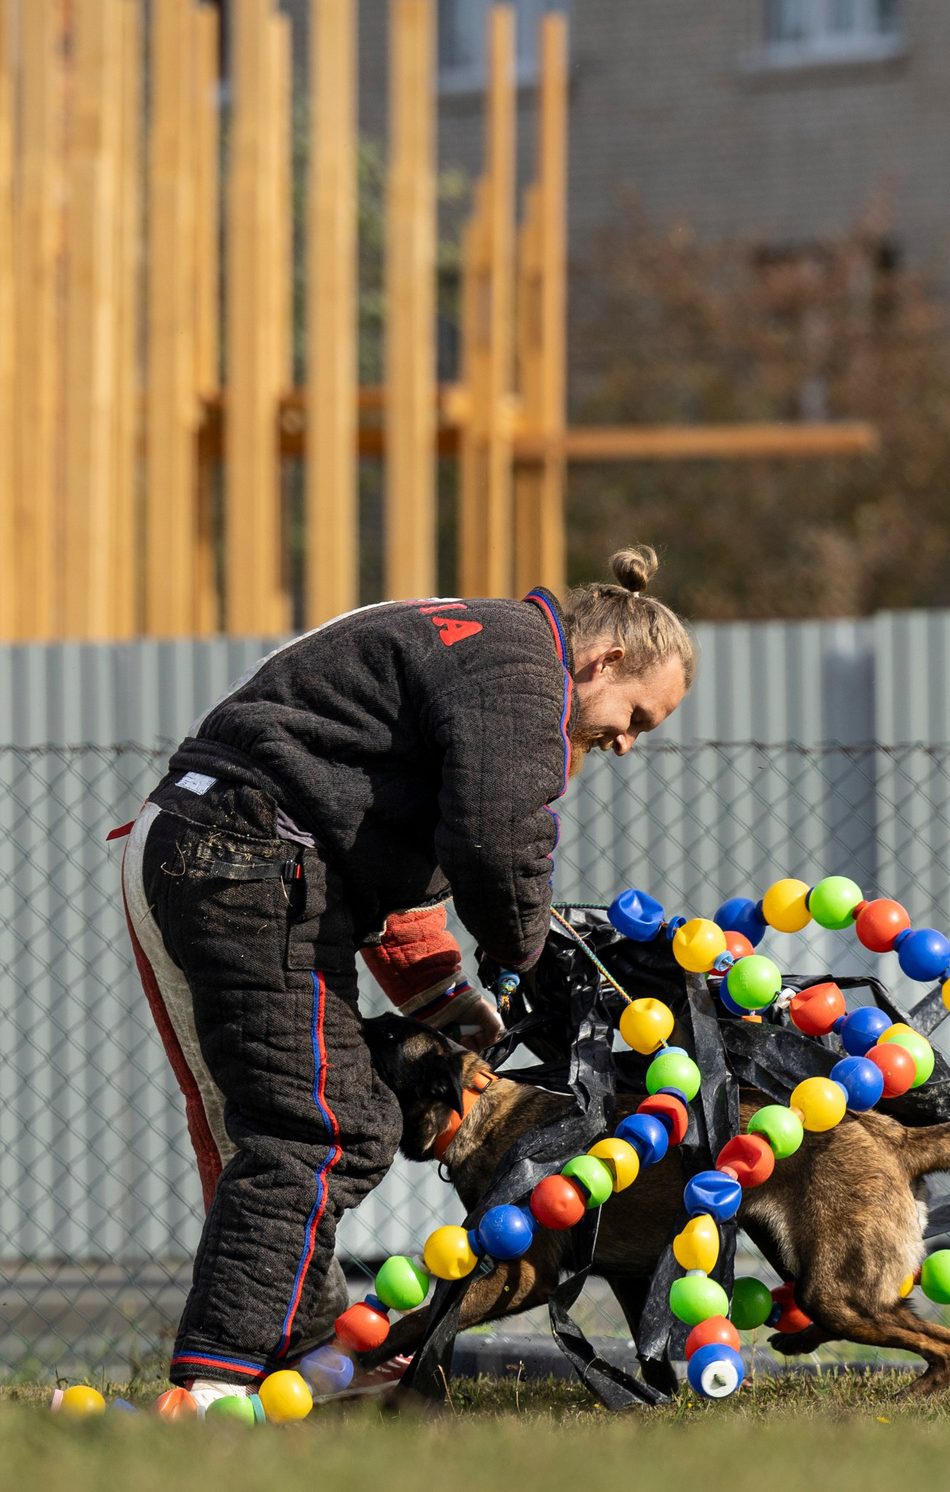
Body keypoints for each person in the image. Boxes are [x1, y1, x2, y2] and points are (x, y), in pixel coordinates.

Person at [119, 549, 695, 1411]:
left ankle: (304, 1366)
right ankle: (213, 1390)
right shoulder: (524, 677)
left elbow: (385, 840)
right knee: (319, 1128)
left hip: (198, 839)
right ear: (605, 659)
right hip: (252, 855)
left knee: (296, 1126)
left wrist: (443, 995)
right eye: (637, 717)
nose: (623, 743)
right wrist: (525, 959)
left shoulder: (477, 639)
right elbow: (496, 842)